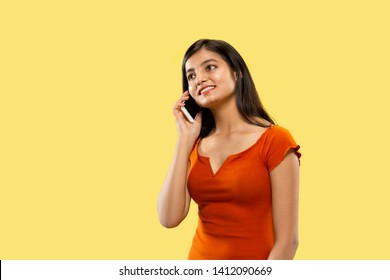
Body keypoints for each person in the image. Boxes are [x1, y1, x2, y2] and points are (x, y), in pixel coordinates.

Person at [157, 39, 301, 260]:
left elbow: (287, 242)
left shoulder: (275, 140)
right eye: (191, 75)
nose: (199, 79)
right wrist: (183, 139)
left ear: (237, 72)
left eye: (210, 67)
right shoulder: (194, 145)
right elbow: (168, 218)